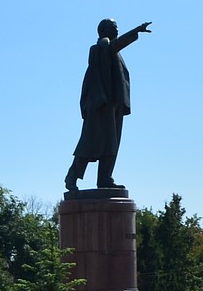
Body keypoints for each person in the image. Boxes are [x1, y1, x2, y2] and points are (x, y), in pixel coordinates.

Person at [65, 18, 151, 192]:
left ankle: (104, 178)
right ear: (103, 30)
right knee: (90, 143)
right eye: (114, 27)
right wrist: (135, 31)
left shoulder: (110, 50)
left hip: (113, 105)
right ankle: (72, 176)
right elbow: (114, 46)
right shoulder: (100, 48)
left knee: (111, 144)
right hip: (100, 105)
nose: (117, 30)